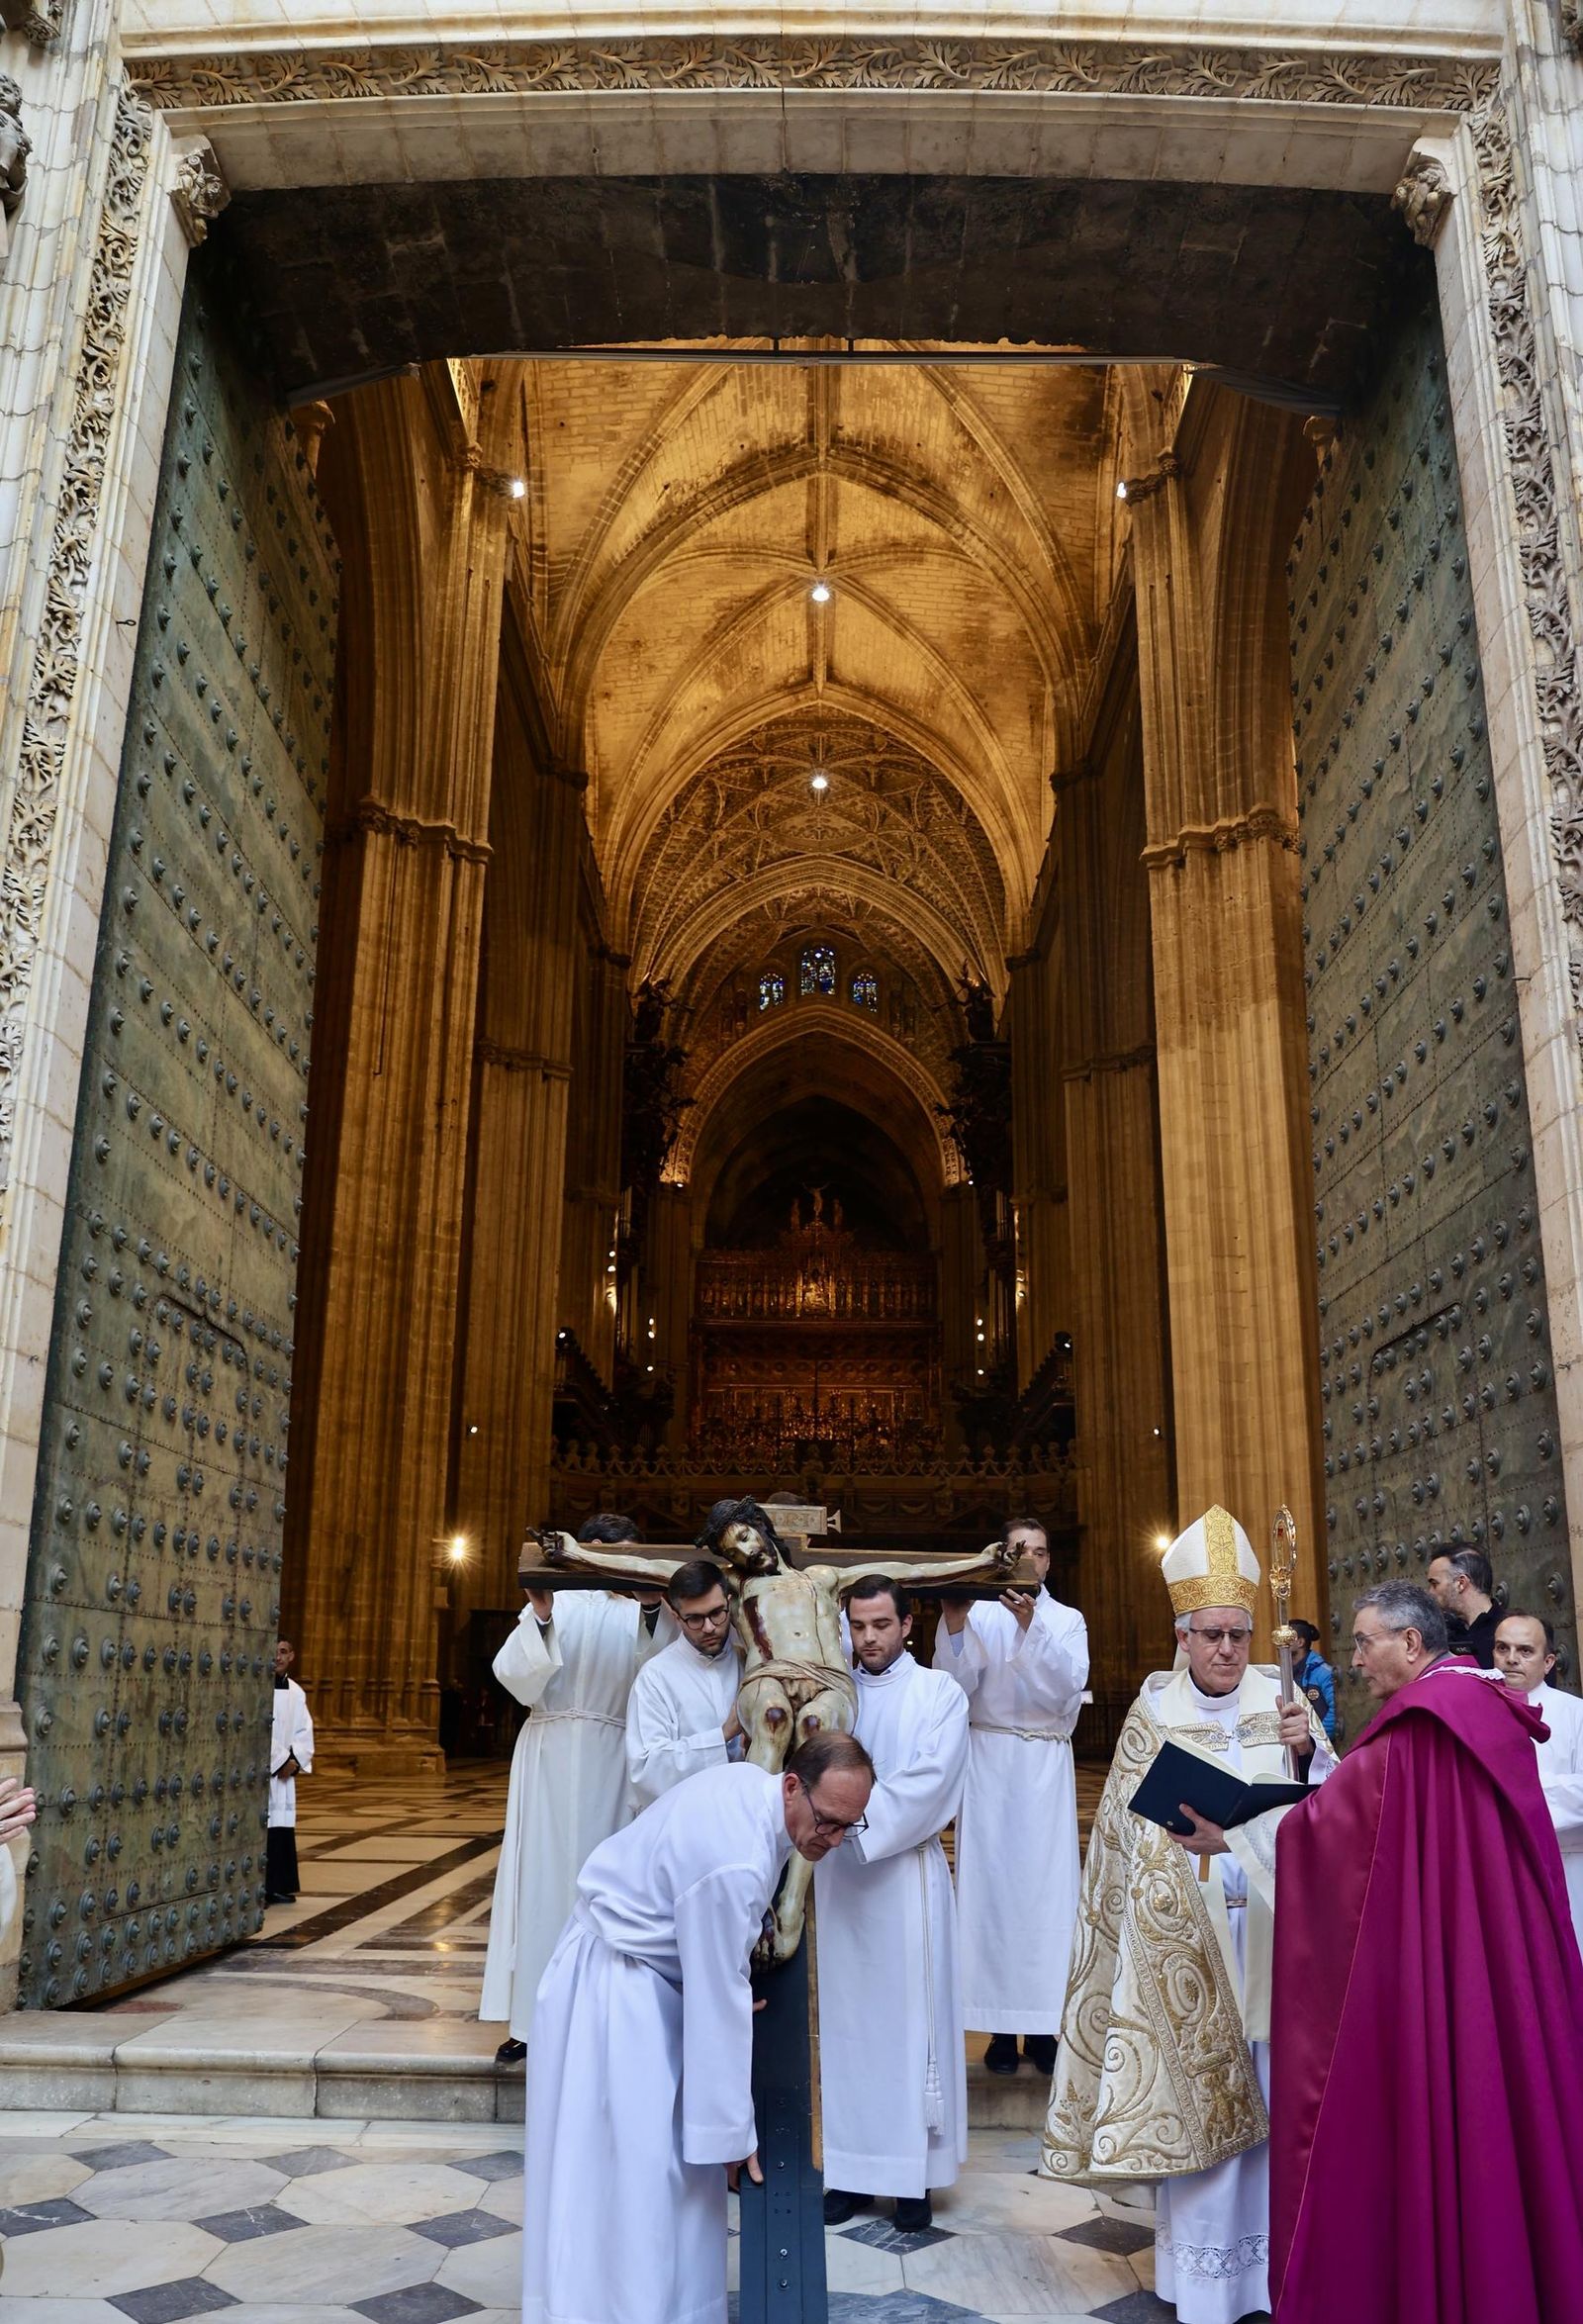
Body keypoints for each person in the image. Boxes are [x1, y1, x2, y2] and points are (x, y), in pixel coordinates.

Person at [1214, 1581, 1583, 2324]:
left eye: (1364, 1641)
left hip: (1442, 1970)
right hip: (1494, 1970)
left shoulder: (1421, 1725)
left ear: (1412, 1644)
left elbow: (1329, 1835)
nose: (1355, 1658)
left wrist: (1225, 1832)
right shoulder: (1481, 1702)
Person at [1043, 1508, 1331, 2324]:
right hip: (1185, 1944)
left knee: (1275, 2108)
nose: (1229, 1649)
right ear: (1183, 1633)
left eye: (1239, 1633)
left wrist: (1306, 1756)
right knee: (1203, 2115)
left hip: (1273, 1936)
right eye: (1211, 1634)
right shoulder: (1153, 1712)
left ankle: (1272, 2274)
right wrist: (1198, 1850)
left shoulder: (1286, 1705)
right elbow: (1122, 1846)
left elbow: (1332, 1816)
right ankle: (1202, 2284)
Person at [522, 1732, 876, 2324]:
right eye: (829, 1821)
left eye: (849, 1827)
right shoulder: (735, 1859)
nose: (834, 1839)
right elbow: (715, 1995)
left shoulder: (754, 1791)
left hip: (637, 1976)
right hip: (614, 1990)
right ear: (793, 1784)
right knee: (637, 2174)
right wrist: (734, 2140)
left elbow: (718, 1969)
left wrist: (729, 1997)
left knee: (643, 2172)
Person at [481, 1513, 675, 2064]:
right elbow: (517, 1679)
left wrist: (652, 1607)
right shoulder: (557, 1602)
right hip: (548, 1753)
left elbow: (663, 1672)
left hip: (616, 1755)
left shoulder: (643, 1610)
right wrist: (541, 1615)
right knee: (542, 1886)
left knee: (606, 1886)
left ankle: (603, 2015)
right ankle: (533, 2020)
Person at [818, 1575, 971, 2235]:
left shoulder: (939, 1691)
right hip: (841, 1881)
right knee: (851, 2029)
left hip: (906, 1874)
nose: (869, 1637)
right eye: (858, 1625)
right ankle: (851, 2171)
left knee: (912, 2029)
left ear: (909, 1624)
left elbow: (932, 1783)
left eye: (882, 1624)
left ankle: (912, 2179)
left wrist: (849, 1820)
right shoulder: (835, 1697)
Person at [933, 1514, 1088, 2075]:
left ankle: (1045, 2027)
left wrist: (1031, 1630)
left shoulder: (1066, 1620)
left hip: (1044, 1764)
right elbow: (953, 1687)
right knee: (992, 1894)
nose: (1031, 1558)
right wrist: (953, 1624)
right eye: (1019, 1548)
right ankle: (1000, 2028)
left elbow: (1064, 1687)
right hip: (991, 1763)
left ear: (1049, 1562)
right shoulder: (979, 1613)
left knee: (1047, 1900)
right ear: (1002, 1554)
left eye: (1040, 1551)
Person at [1494, 1608, 1583, 1952]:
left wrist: (1510, 1800)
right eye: (1503, 1648)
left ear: (1548, 1663)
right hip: (1497, 1870)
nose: (1511, 1659)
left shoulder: (1574, 1713)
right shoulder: (1475, 1712)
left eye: (1525, 1651)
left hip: (1564, 1866)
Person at [625, 1557, 745, 1807]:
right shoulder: (656, 1676)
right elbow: (646, 1769)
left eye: (716, 1614)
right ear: (677, 1618)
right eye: (695, 1619)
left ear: (730, 1605)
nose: (709, 1627)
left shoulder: (751, 1663)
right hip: (686, 1816)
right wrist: (723, 1735)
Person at [265, 1638, 315, 1905]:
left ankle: (276, 1884)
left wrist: (293, 1760)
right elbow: (256, 1729)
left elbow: (304, 1731)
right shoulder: (254, 1687)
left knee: (280, 1826)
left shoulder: (296, 1692)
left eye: (283, 1652)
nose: (278, 1657)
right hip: (265, 1772)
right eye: (273, 1652)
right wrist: (279, 1760)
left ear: (292, 1656)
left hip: (283, 1776)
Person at [1425, 1546, 1500, 1667]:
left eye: (1435, 1584)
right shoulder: (1441, 1632)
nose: (1430, 1592)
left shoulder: (1508, 1632)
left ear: (1461, 1583)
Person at [1289, 1620, 1337, 1741]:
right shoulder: (1283, 1673)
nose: (1281, 1643)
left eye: (1287, 1638)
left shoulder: (1323, 1672)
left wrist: (1318, 1741)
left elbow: (1336, 1709)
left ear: (1300, 1642)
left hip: (1320, 1748)